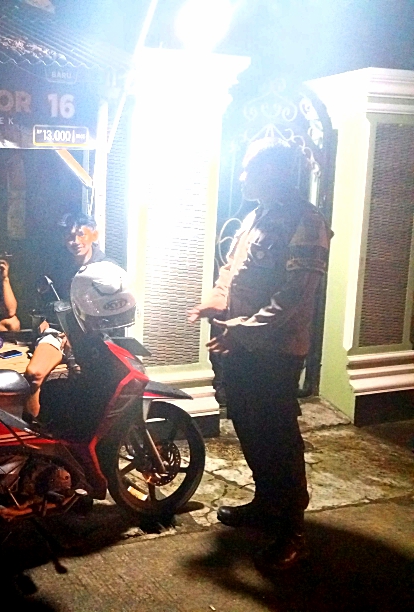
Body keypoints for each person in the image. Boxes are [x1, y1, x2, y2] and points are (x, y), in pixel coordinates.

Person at [188, 138, 331, 571]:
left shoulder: (307, 221)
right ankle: (267, 502)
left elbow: (295, 299)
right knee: (249, 427)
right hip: (240, 344)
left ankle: (292, 529)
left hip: (274, 352)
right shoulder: (255, 216)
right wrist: (215, 301)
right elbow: (230, 271)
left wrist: (243, 330)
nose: (242, 176)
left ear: (276, 172)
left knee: (277, 436)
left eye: (251, 168)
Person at [23, 213, 106, 419]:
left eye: (81, 234)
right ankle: (32, 430)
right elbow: (46, 299)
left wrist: (78, 334)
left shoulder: (106, 268)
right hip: (59, 330)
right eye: (70, 236)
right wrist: (43, 319)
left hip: (96, 336)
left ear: (94, 235)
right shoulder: (58, 266)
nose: (75, 241)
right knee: (33, 375)